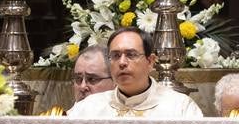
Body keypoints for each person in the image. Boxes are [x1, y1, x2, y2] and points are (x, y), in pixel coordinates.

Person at [67, 27, 204, 118]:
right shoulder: (88, 108)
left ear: (150, 61)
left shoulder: (180, 108)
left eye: (131, 55)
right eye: (115, 56)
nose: (122, 62)